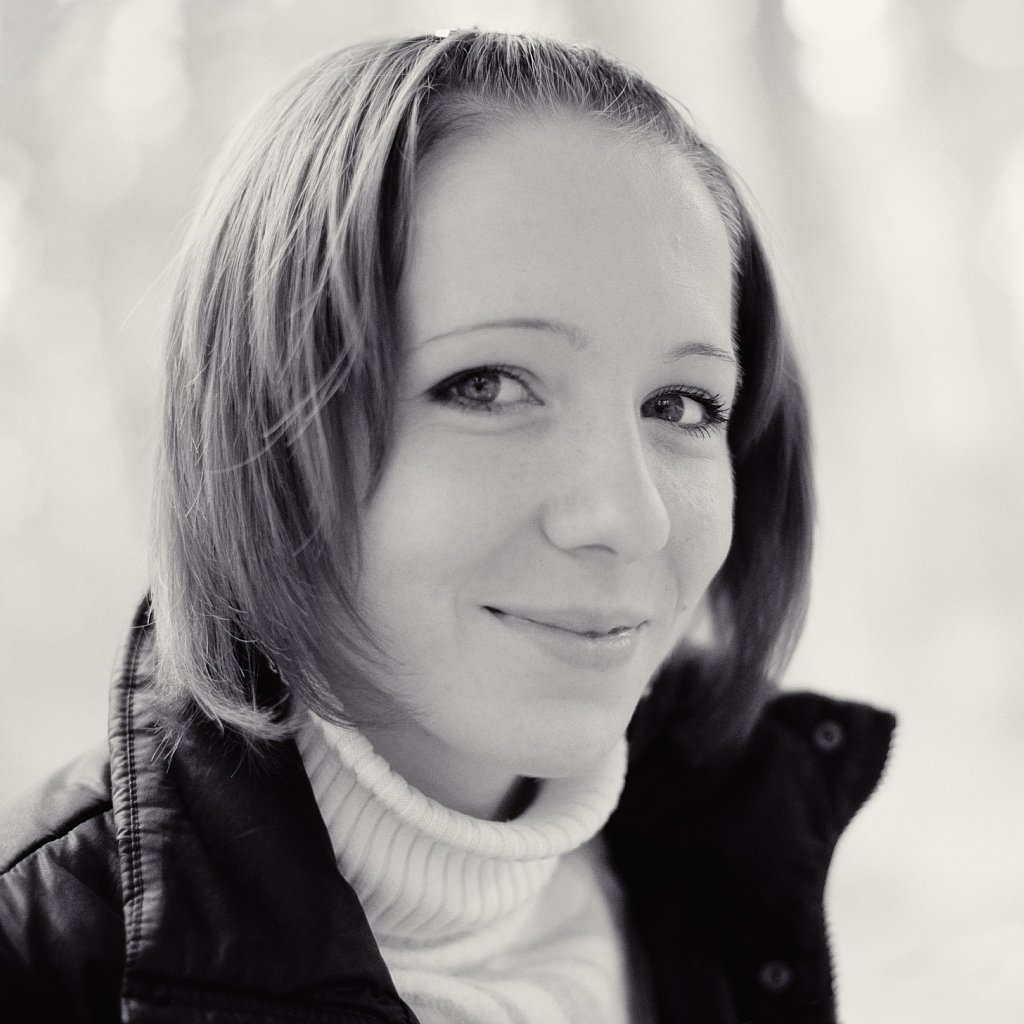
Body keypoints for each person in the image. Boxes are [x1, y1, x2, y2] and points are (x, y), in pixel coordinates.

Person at [0, 29, 894, 1024]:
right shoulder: (37, 963)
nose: (629, 518)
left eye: (681, 404)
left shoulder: (728, 862)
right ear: (267, 422)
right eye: (488, 385)